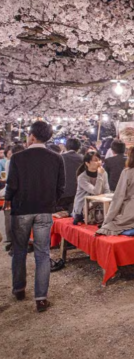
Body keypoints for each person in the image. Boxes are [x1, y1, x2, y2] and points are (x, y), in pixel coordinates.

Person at [5, 121, 65, 312]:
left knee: (19, 250)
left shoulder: (17, 157)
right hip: (44, 209)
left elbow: (12, 185)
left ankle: (19, 288)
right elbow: (60, 186)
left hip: (21, 209)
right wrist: (51, 201)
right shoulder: (56, 158)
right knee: (42, 253)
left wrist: (8, 200)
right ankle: (41, 298)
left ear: (31, 136)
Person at [72, 151, 111, 225]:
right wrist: (100, 175)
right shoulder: (82, 177)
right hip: (84, 207)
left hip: (99, 203)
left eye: (99, 160)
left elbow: (106, 190)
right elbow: (96, 192)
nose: (99, 162)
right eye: (96, 160)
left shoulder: (104, 173)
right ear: (87, 163)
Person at [58, 138, 84, 214]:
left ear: (66, 147)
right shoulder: (83, 159)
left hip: (62, 192)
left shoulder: (59, 157)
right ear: (79, 148)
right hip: (78, 191)